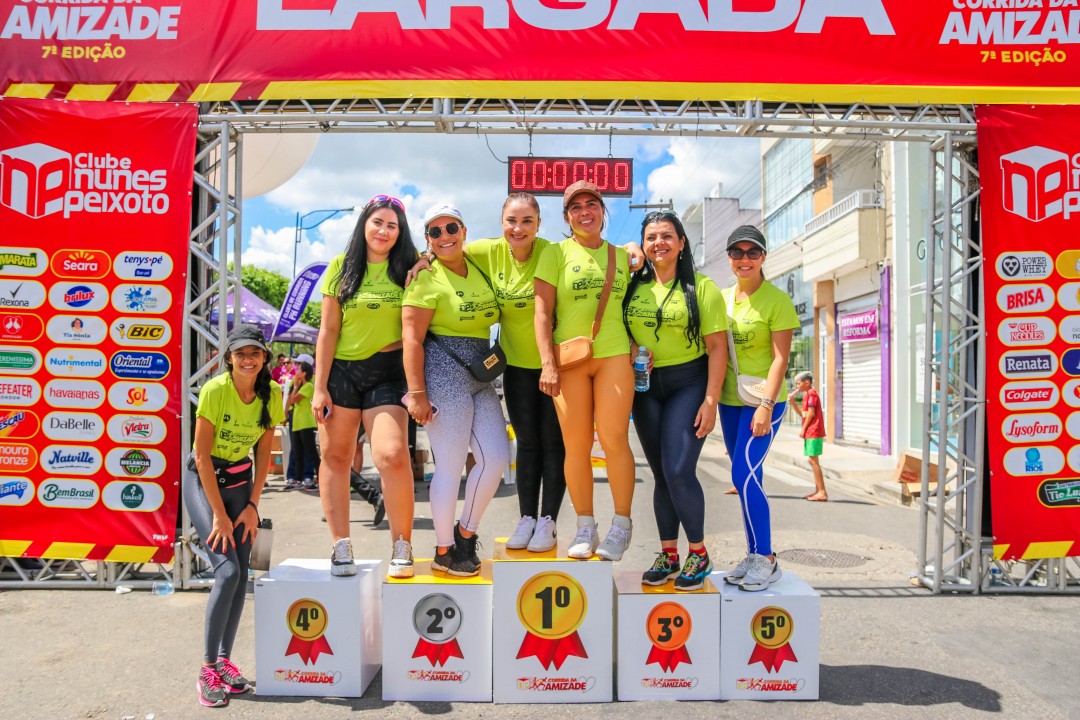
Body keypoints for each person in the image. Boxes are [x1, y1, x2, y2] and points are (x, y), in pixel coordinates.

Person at [313, 195, 419, 579]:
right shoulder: (341, 267)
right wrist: (319, 387)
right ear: (364, 225)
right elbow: (328, 330)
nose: (384, 231)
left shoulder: (409, 266)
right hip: (342, 372)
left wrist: (425, 260)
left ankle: (402, 544)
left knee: (392, 455)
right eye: (378, 222)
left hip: (389, 371)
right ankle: (341, 545)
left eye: (392, 226)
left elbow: (447, 255)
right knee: (336, 457)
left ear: (400, 233)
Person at [402, 203, 508, 577]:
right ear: (427, 238)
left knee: (496, 459)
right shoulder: (424, 279)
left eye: (451, 228)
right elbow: (411, 339)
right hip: (443, 371)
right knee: (449, 465)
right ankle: (444, 549)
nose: (444, 236)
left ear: (464, 231)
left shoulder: (478, 263)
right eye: (435, 231)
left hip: (480, 371)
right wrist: (417, 394)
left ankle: (466, 534)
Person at [625, 211, 728, 590]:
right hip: (645, 387)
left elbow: (717, 348)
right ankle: (669, 554)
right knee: (660, 474)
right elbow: (619, 328)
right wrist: (633, 346)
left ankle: (698, 553)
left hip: (690, 383)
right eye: (651, 237)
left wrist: (711, 400)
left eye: (667, 236)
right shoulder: (632, 287)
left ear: (682, 243)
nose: (659, 243)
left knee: (679, 470)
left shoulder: (702, 288)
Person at [535, 180, 636, 561]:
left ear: (603, 210)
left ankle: (621, 524)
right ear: (566, 217)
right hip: (569, 361)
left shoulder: (623, 257)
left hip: (614, 354)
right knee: (575, 445)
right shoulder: (555, 253)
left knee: (613, 439)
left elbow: (635, 303)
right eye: (575, 207)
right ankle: (585, 526)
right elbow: (542, 313)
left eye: (591, 204)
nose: (584, 212)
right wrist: (547, 363)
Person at [184, 323, 284, 708]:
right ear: (229, 358)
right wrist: (218, 515)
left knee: (243, 574)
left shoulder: (272, 393)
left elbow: (264, 452)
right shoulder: (215, 390)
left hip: (241, 486)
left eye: (254, 353)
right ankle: (207, 669)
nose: (248, 359)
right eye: (240, 353)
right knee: (226, 571)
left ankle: (224, 662)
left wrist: (253, 506)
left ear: (264, 357)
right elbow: (201, 457)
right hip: (204, 482)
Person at [469, 193, 566, 552]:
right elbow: (445, 248)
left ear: (539, 224)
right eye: (512, 220)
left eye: (527, 221)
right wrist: (424, 259)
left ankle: (548, 521)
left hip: (556, 365)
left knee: (554, 444)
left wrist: (633, 249)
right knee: (526, 443)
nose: (518, 228)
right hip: (516, 368)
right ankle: (527, 518)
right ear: (502, 222)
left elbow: (598, 256)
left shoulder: (554, 252)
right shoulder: (488, 251)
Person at [718, 225, 799, 592]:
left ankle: (766, 557)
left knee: (744, 475)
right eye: (737, 252)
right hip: (729, 400)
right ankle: (754, 555)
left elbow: (781, 358)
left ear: (763, 257)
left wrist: (766, 404)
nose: (745, 259)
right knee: (748, 478)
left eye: (753, 252)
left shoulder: (776, 300)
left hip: (764, 403)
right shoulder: (721, 298)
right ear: (729, 258)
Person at [788, 370, 828, 501]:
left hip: (814, 431)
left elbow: (811, 414)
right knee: (812, 460)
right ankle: (818, 491)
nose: (797, 386)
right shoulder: (807, 395)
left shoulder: (812, 394)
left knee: (813, 460)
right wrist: (793, 402)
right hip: (810, 432)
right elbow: (803, 414)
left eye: (798, 383)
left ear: (807, 382)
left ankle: (822, 492)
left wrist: (803, 430)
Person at [286, 360, 319, 490]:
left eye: (299, 370)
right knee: (298, 453)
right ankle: (298, 479)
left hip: (306, 424)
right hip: (297, 424)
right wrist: (295, 386)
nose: (296, 372)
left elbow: (294, 399)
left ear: (304, 373)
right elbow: (290, 400)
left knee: (311, 452)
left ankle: (321, 477)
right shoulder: (300, 386)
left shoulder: (308, 386)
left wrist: (295, 386)